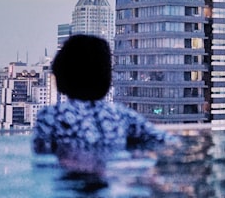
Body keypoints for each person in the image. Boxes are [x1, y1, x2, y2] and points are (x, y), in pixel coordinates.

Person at [32, 34, 175, 165]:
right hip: (112, 176)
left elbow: (42, 157)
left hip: (71, 178)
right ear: (106, 77)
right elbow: (167, 141)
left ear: (61, 73)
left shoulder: (52, 116)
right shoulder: (122, 115)